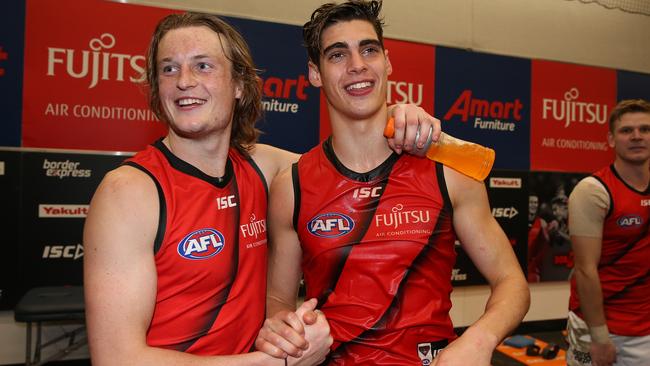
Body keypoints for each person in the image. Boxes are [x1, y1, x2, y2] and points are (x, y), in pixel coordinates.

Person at [83, 11, 441, 366]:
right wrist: (278, 363)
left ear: (239, 84)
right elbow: (115, 358)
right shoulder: (129, 192)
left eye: (203, 66)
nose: (184, 81)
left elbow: (354, 156)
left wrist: (402, 117)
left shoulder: (262, 168)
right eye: (169, 68)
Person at [262, 1, 530, 365]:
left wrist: (480, 339)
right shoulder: (291, 186)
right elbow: (278, 302)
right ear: (314, 73)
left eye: (368, 50)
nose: (357, 65)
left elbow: (512, 281)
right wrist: (285, 329)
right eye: (337, 54)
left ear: (386, 62)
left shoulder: (447, 170)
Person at [566, 99, 650, 366]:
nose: (637, 136)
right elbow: (585, 270)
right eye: (627, 131)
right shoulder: (592, 191)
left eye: (645, 129)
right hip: (605, 328)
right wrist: (599, 336)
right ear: (611, 139)